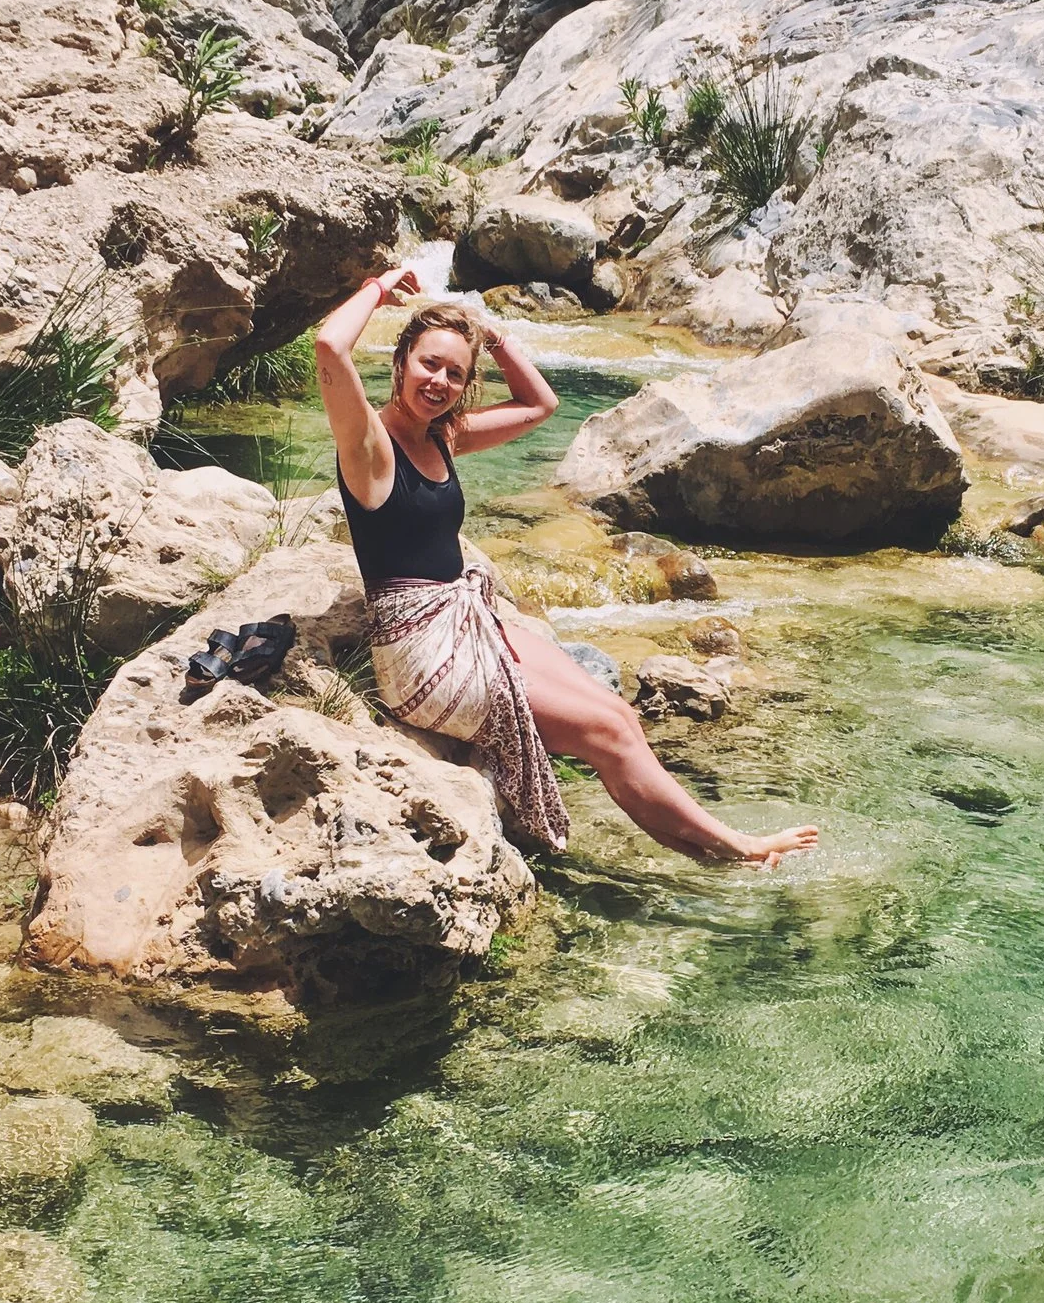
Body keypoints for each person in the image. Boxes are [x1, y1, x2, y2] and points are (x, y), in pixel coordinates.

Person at [313, 267, 820, 869]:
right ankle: (739, 847)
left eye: (456, 372)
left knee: (619, 714)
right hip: (420, 657)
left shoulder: (440, 437)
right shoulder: (369, 444)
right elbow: (329, 346)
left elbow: (540, 404)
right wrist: (377, 287)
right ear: (400, 363)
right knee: (607, 735)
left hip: (464, 621)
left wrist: (489, 335)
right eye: (429, 364)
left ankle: (709, 852)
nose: (440, 381)